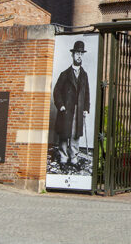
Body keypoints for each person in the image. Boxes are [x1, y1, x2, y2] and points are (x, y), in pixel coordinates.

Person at [53, 40, 90, 169]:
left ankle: (73, 158)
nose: (79, 56)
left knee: (75, 134)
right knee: (64, 134)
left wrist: (86, 108)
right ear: (72, 55)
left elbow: (87, 94)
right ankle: (63, 157)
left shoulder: (84, 75)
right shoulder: (65, 74)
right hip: (66, 109)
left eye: (81, 53)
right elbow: (56, 91)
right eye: (77, 53)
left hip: (78, 109)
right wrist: (61, 105)